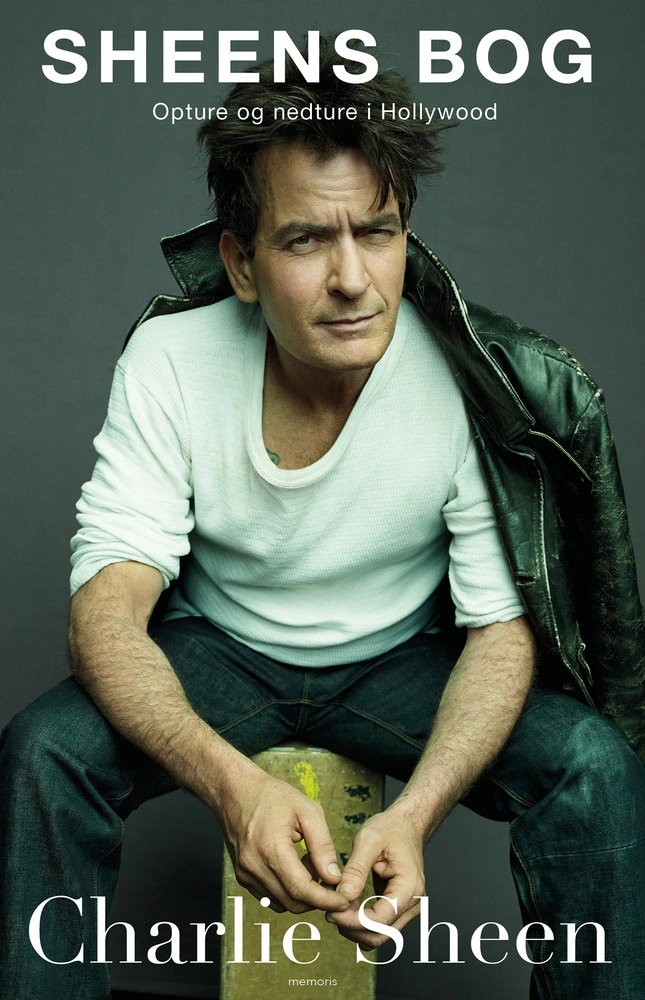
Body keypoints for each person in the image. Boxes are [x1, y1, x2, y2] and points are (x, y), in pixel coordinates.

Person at [2, 37, 645, 1000]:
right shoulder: (171, 359)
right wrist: (235, 788)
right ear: (242, 260)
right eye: (305, 240)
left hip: (403, 664)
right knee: (42, 753)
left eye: (376, 233)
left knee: (592, 764)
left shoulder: (470, 380)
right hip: (219, 651)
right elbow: (106, 612)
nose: (353, 279)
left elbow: (499, 631)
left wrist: (416, 815)